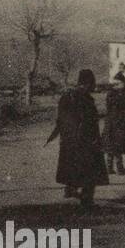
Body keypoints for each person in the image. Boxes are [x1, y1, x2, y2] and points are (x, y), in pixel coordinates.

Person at [46, 69, 107, 210]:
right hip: (86, 140)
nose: (94, 86)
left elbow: (61, 120)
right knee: (91, 170)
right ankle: (87, 200)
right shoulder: (84, 98)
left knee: (73, 166)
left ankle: (70, 189)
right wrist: (94, 139)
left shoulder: (68, 96)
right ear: (87, 83)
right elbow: (88, 122)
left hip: (69, 140)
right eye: (92, 83)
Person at [103, 62, 125, 174]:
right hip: (118, 121)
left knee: (111, 143)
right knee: (117, 143)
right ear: (118, 84)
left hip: (111, 121)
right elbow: (120, 108)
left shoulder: (111, 93)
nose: (124, 86)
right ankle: (119, 168)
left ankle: (110, 167)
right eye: (122, 84)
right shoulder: (117, 95)